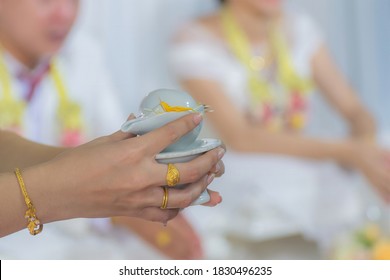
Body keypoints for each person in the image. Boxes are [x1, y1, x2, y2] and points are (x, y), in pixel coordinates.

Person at [0, 0, 224, 259]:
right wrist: (81, 187)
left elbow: (113, 141)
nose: (64, 13)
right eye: (45, 1)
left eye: (73, 1)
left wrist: (133, 183)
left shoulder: (84, 53)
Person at [169, 0, 390, 257]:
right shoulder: (195, 41)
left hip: (306, 153)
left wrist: (366, 146)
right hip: (238, 163)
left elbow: (355, 110)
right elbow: (241, 138)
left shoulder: (298, 28)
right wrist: (350, 151)